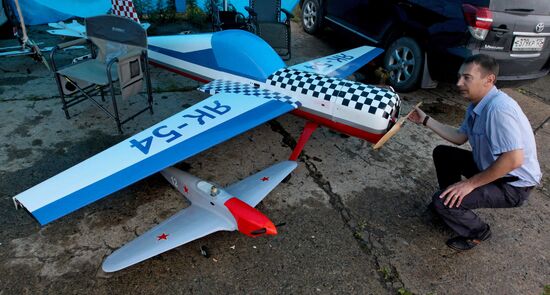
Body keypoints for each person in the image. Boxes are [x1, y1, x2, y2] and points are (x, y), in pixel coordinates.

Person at [409, 54, 541, 251]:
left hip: (513, 186)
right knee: (443, 153)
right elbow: (459, 137)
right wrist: (425, 120)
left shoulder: (498, 109)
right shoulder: (477, 105)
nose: (459, 83)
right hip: (493, 169)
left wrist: (469, 184)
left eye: (467, 77)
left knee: (441, 201)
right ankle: (451, 205)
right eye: (459, 77)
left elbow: (514, 159)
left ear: (489, 80)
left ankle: (477, 231)